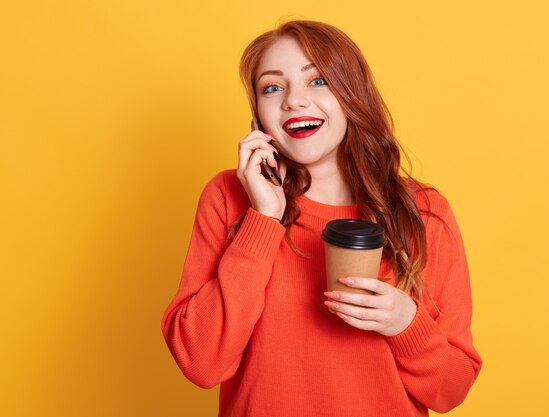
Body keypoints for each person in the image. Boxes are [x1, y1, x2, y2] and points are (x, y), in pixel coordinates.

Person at [161, 20, 482, 417]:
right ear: (259, 113)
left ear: (352, 94)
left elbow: (450, 391)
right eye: (272, 87)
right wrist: (264, 218)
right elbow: (200, 361)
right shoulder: (229, 198)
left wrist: (406, 324)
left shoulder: (424, 212)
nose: (293, 101)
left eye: (317, 81)